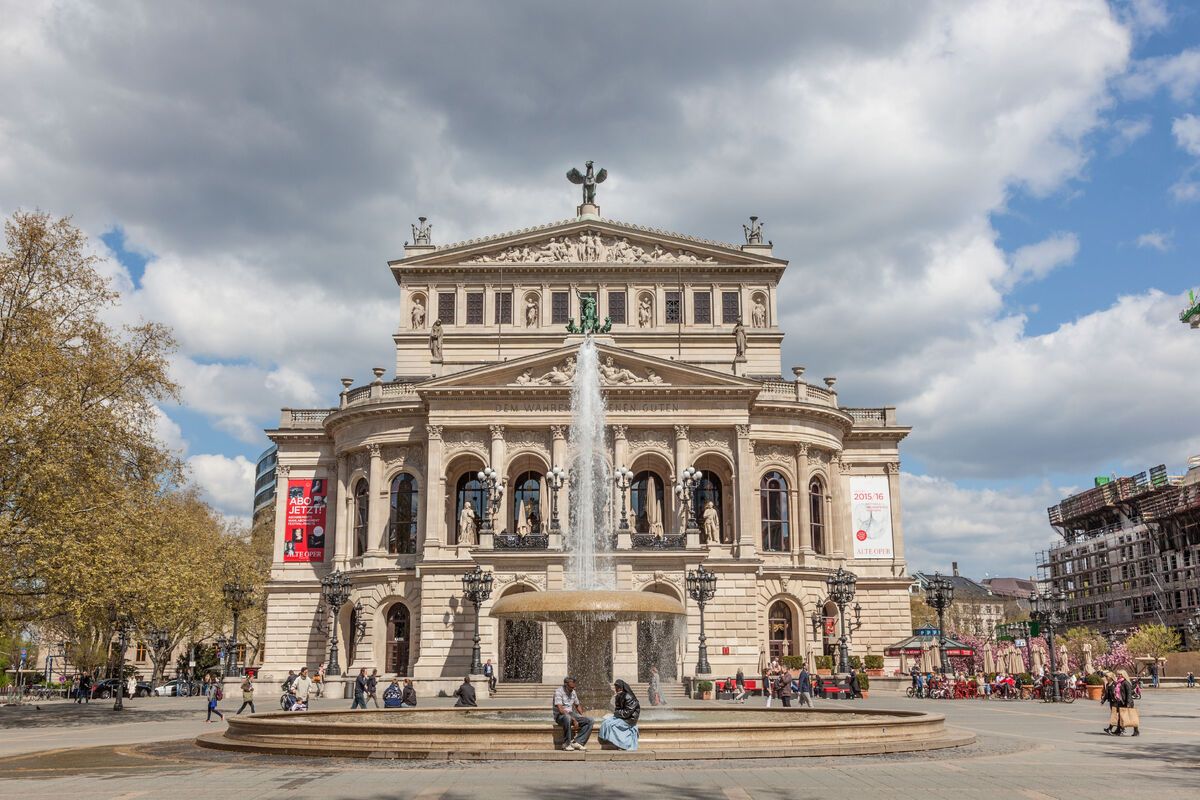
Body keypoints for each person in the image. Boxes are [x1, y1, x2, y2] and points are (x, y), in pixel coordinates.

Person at [553, 676, 594, 751]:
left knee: (590, 720)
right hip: (560, 716)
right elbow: (561, 710)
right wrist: (574, 720)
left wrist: (582, 717)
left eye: (574, 687)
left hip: (571, 714)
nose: (573, 689)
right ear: (566, 685)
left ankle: (578, 742)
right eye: (571, 687)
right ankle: (566, 744)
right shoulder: (558, 691)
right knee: (567, 718)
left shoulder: (573, 691)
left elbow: (577, 705)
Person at [598, 680, 640, 751]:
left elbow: (627, 712)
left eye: (618, 688)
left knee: (611, 725)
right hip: (622, 717)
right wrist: (616, 714)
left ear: (622, 688)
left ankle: (622, 744)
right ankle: (608, 742)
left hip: (629, 719)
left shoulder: (629, 697)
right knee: (606, 722)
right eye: (616, 688)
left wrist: (616, 714)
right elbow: (618, 709)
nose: (617, 689)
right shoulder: (618, 696)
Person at [1117, 669, 1140, 737]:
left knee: (1131, 717)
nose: (1118, 675)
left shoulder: (1126, 683)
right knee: (1120, 716)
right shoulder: (1119, 682)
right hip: (1122, 701)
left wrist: (1128, 703)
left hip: (1127, 702)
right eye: (1118, 674)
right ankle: (1119, 729)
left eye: (1120, 674)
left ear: (1123, 675)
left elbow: (1129, 694)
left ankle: (1136, 730)